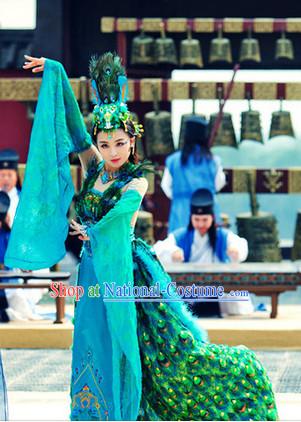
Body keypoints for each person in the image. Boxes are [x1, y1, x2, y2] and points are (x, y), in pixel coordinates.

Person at [5, 53, 278, 421]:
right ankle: (93, 412)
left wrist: (92, 230)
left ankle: (130, 409)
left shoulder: (136, 180)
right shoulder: (94, 167)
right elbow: (74, 128)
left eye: (119, 143)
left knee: (154, 350)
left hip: (125, 273)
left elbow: (119, 216)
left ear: (132, 142)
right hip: (92, 270)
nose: (112, 152)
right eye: (105, 144)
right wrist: (56, 72)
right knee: (89, 337)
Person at [154, 188, 254, 317]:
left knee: (238, 299)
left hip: (217, 284)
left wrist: (235, 251)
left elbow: (240, 244)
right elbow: (159, 248)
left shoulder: (222, 235)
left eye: (205, 220)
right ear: (191, 218)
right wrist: (172, 252)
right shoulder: (182, 235)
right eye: (197, 220)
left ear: (212, 218)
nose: (201, 224)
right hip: (189, 285)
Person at [0, 149, 47, 321]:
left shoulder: (24, 199)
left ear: (16, 176)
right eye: (2, 174)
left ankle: (24, 308)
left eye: (9, 175)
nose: (5, 179)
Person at [161, 115, 226, 233]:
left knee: (180, 246)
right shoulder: (213, 161)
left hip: (180, 210)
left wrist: (178, 196)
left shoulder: (174, 160)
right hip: (207, 211)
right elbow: (219, 183)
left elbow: (166, 186)